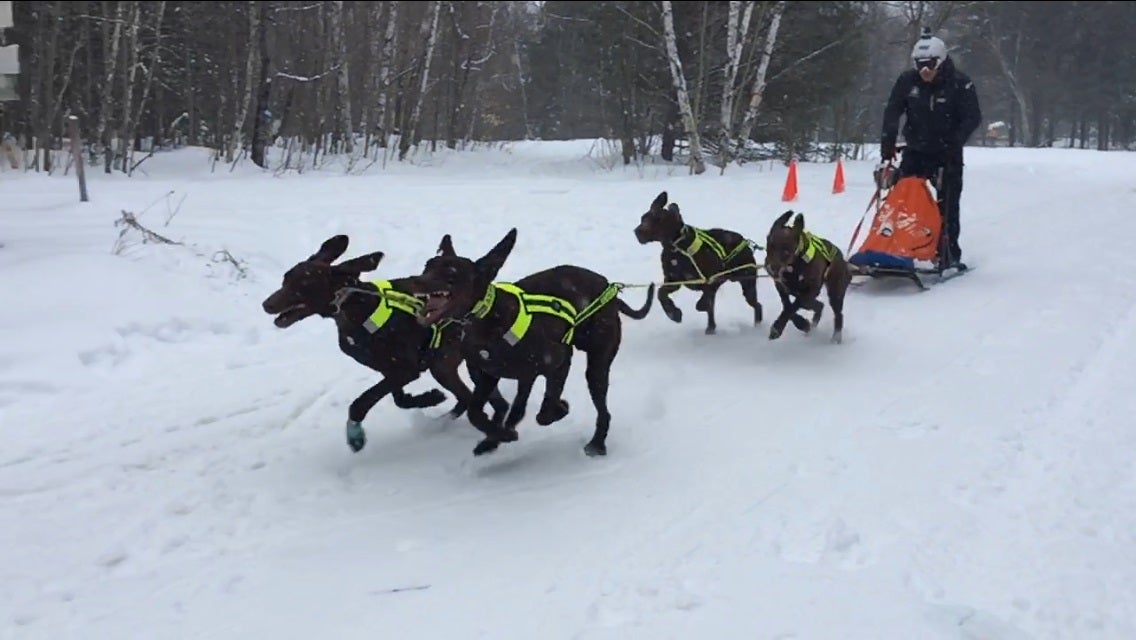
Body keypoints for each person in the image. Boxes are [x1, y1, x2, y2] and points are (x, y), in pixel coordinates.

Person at [880, 28, 982, 271]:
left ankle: (947, 252)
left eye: (930, 64)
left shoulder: (960, 83)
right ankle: (898, 246)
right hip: (916, 150)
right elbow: (893, 111)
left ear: (942, 61)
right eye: (920, 64)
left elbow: (972, 117)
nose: (925, 70)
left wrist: (954, 142)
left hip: (947, 152)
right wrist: (888, 143)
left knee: (947, 203)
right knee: (904, 199)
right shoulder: (907, 81)